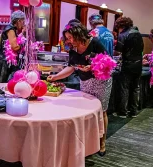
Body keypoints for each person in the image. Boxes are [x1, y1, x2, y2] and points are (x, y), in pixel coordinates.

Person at [47, 22, 112, 156]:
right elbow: (71, 67)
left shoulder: (95, 43)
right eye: (67, 38)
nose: (69, 40)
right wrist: (55, 77)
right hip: (85, 81)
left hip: (101, 81)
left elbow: (108, 63)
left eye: (71, 37)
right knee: (87, 111)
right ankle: (88, 141)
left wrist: (93, 67)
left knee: (101, 111)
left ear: (79, 33)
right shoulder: (72, 49)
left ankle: (102, 142)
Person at [114, 17, 144, 117]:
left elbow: (118, 50)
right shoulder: (138, 33)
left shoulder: (123, 35)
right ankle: (133, 111)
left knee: (125, 88)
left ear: (120, 25)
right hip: (138, 64)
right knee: (136, 88)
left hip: (128, 65)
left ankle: (122, 112)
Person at [0, 10, 26, 83]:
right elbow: (14, 47)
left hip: (5, 60)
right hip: (4, 61)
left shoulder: (12, 29)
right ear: (18, 21)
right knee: (2, 84)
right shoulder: (10, 29)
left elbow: (15, 40)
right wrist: (24, 44)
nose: (23, 23)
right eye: (22, 21)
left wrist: (23, 32)